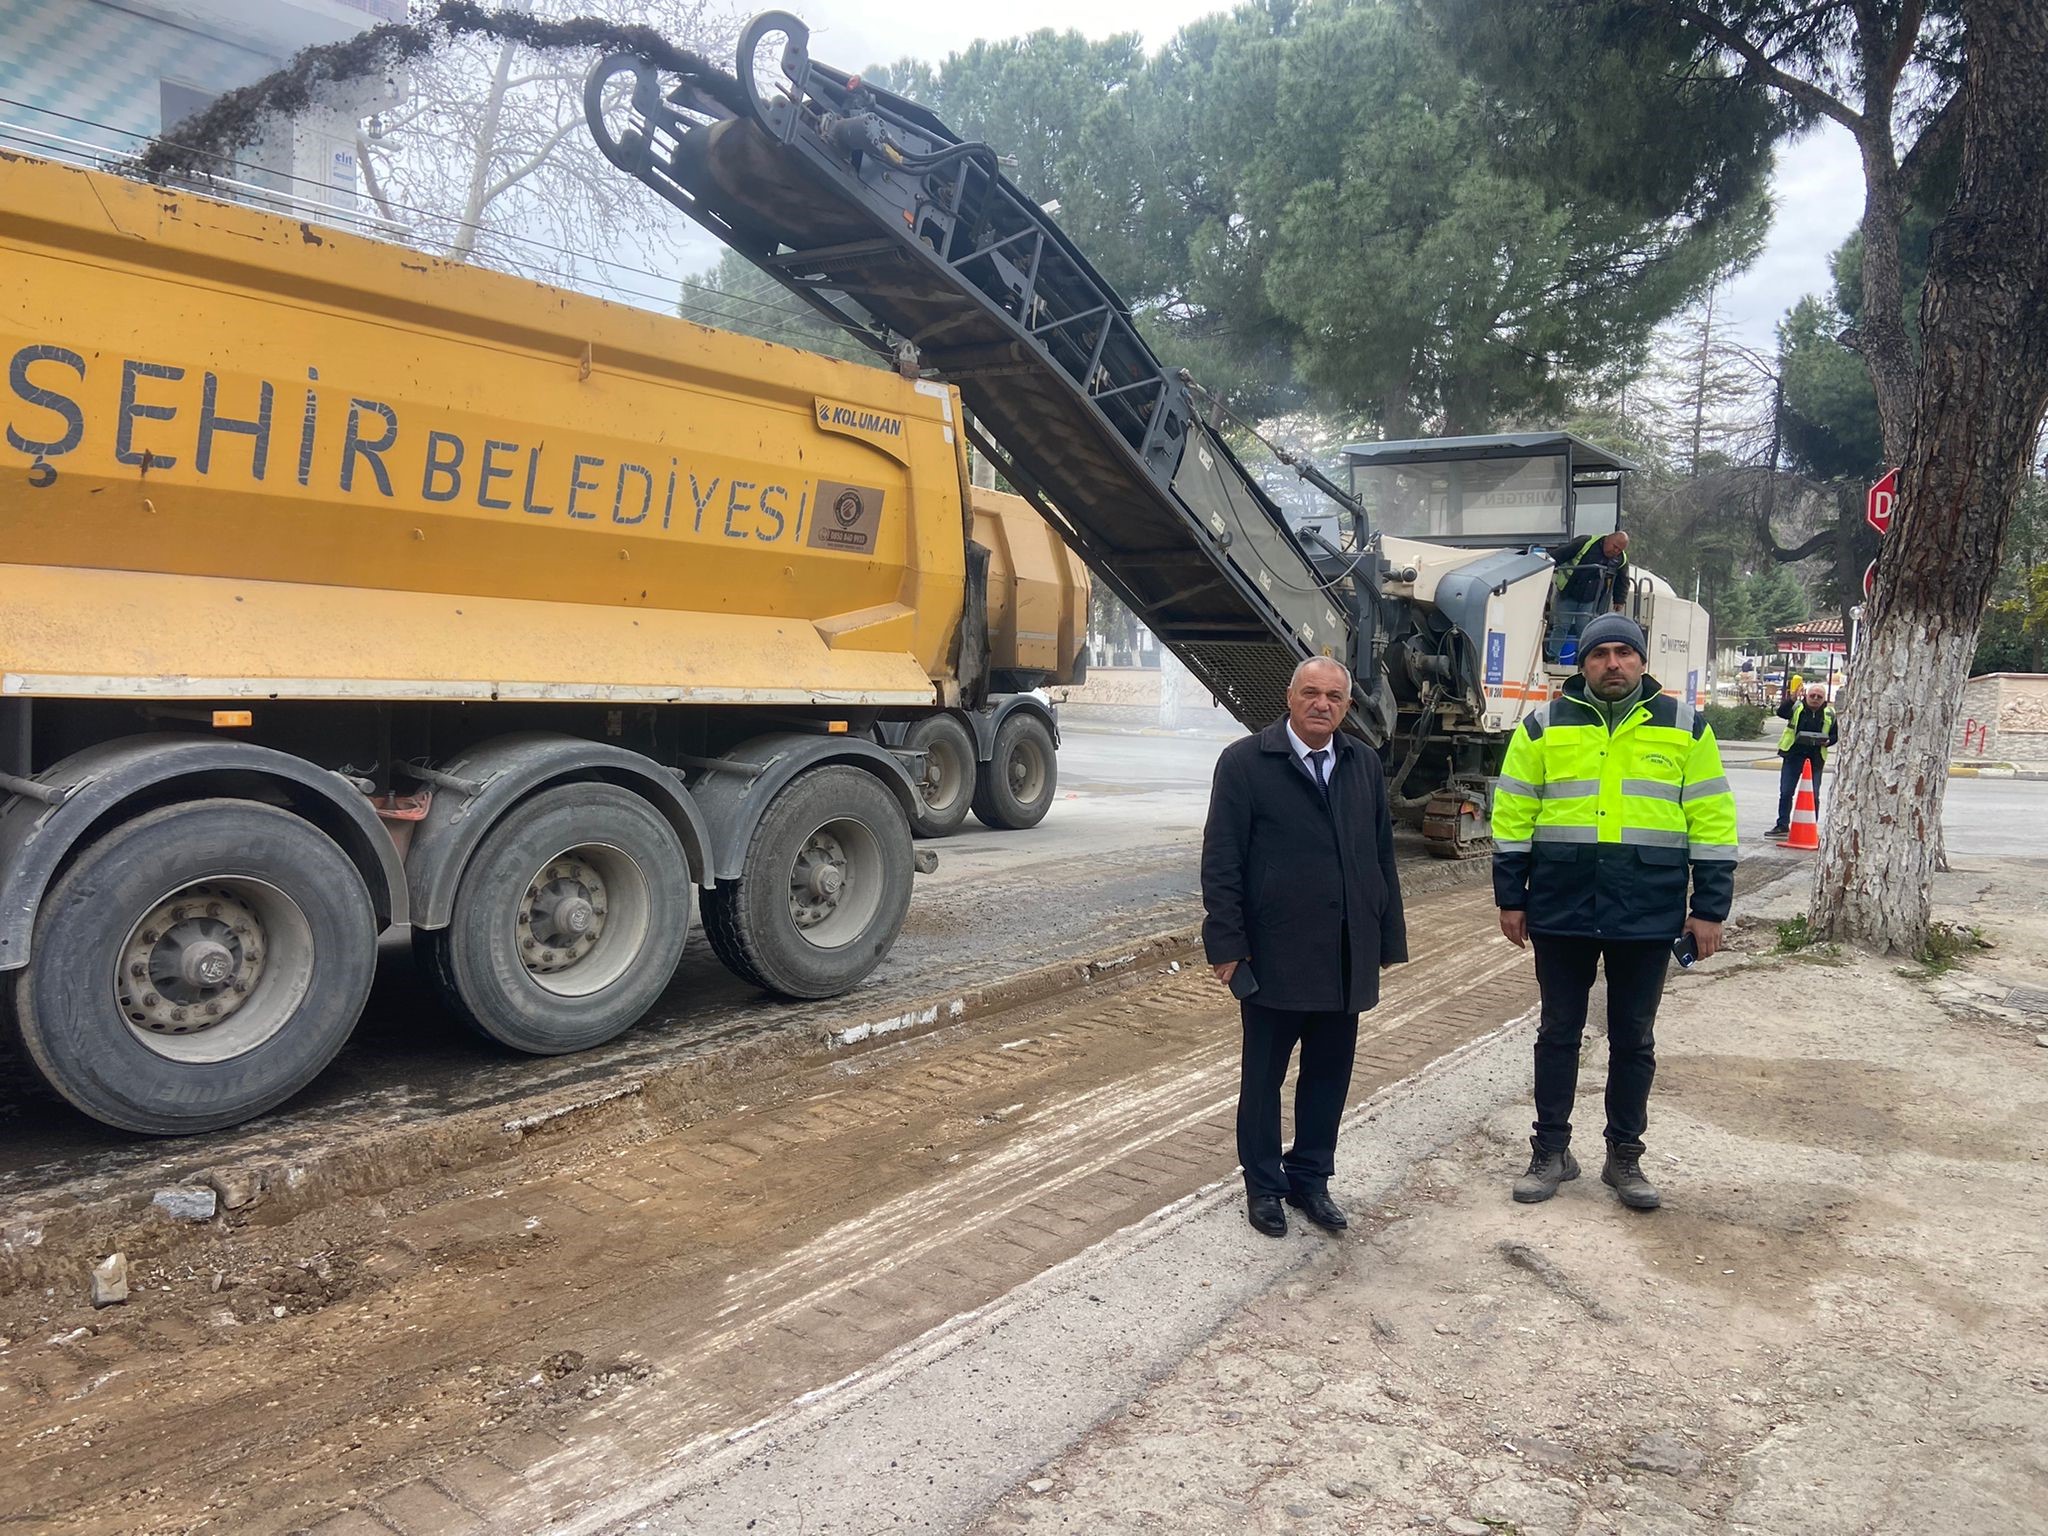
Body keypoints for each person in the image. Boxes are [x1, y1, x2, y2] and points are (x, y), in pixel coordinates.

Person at [1490, 613, 1737, 1211]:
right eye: (1600, 654)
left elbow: (1712, 820)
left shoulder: (1684, 727)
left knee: (1634, 1039)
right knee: (1557, 1033)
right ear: (1583, 664)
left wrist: (1709, 908)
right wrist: (1511, 897)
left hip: (1645, 908)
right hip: (1562, 905)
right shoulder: (1544, 725)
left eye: (1625, 653)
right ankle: (1551, 1151)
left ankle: (1624, 1156)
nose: (1613, 664)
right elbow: (1513, 813)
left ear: (1643, 661)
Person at [1201, 656, 1409, 1238]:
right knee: (1263, 1080)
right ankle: (1264, 1186)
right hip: (1275, 954)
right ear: (1290, 699)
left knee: (1328, 1077)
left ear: (1347, 706)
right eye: (1311, 693)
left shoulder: (1363, 764)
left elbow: (1380, 856)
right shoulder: (1245, 763)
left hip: (1345, 955)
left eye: (1334, 697)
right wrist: (1227, 944)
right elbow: (1221, 860)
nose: (1322, 705)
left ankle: (1311, 1179)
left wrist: (1385, 937)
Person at [1766, 679, 1838, 839]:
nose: (1815, 699)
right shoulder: (1797, 707)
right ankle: (1782, 825)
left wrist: (1828, 741)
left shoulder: (1829, 714)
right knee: (1786, 792)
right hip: (1793, 756)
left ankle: (1810, 826)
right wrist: (1791, 698)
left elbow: (1835, 735)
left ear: (1824, 699)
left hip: (1815, 760)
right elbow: (1781, 712)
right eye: (1812, 695)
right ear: (1806, 695)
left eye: (1819, 697)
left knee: (1813, 795)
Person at [1546, 531, 1630, 661]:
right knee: (1561, 626)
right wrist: (1544, 567)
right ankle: (1553, 657)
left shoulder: (1621, 559)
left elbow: (1622, 580)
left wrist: (1620, 599)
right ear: (1608, 539)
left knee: (1585, 630)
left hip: (1590, 599)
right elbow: (1560, 554)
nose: (1616, 551)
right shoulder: (1586, 542)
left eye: (1620, 550)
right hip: (1567, 593)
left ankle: (1583, 661)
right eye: (1615, 547)